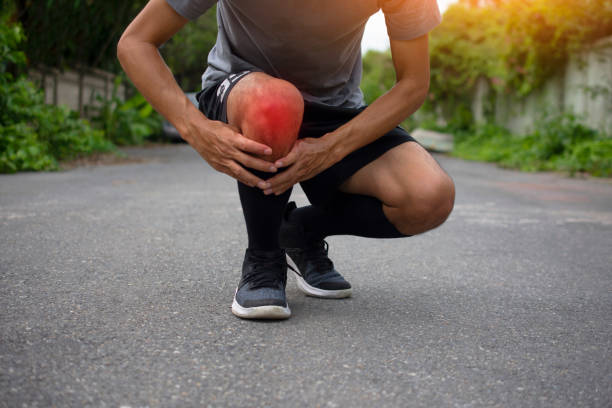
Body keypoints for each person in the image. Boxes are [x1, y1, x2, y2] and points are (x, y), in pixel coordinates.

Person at [117, 0, 455, 320]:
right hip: (249, 92)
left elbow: (413, 83)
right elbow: (136, 42)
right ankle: (263, 257)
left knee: (429, 196)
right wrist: (195, 128)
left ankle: (298, 231)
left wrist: (329, 149)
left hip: (336, 109)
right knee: (278, 103)